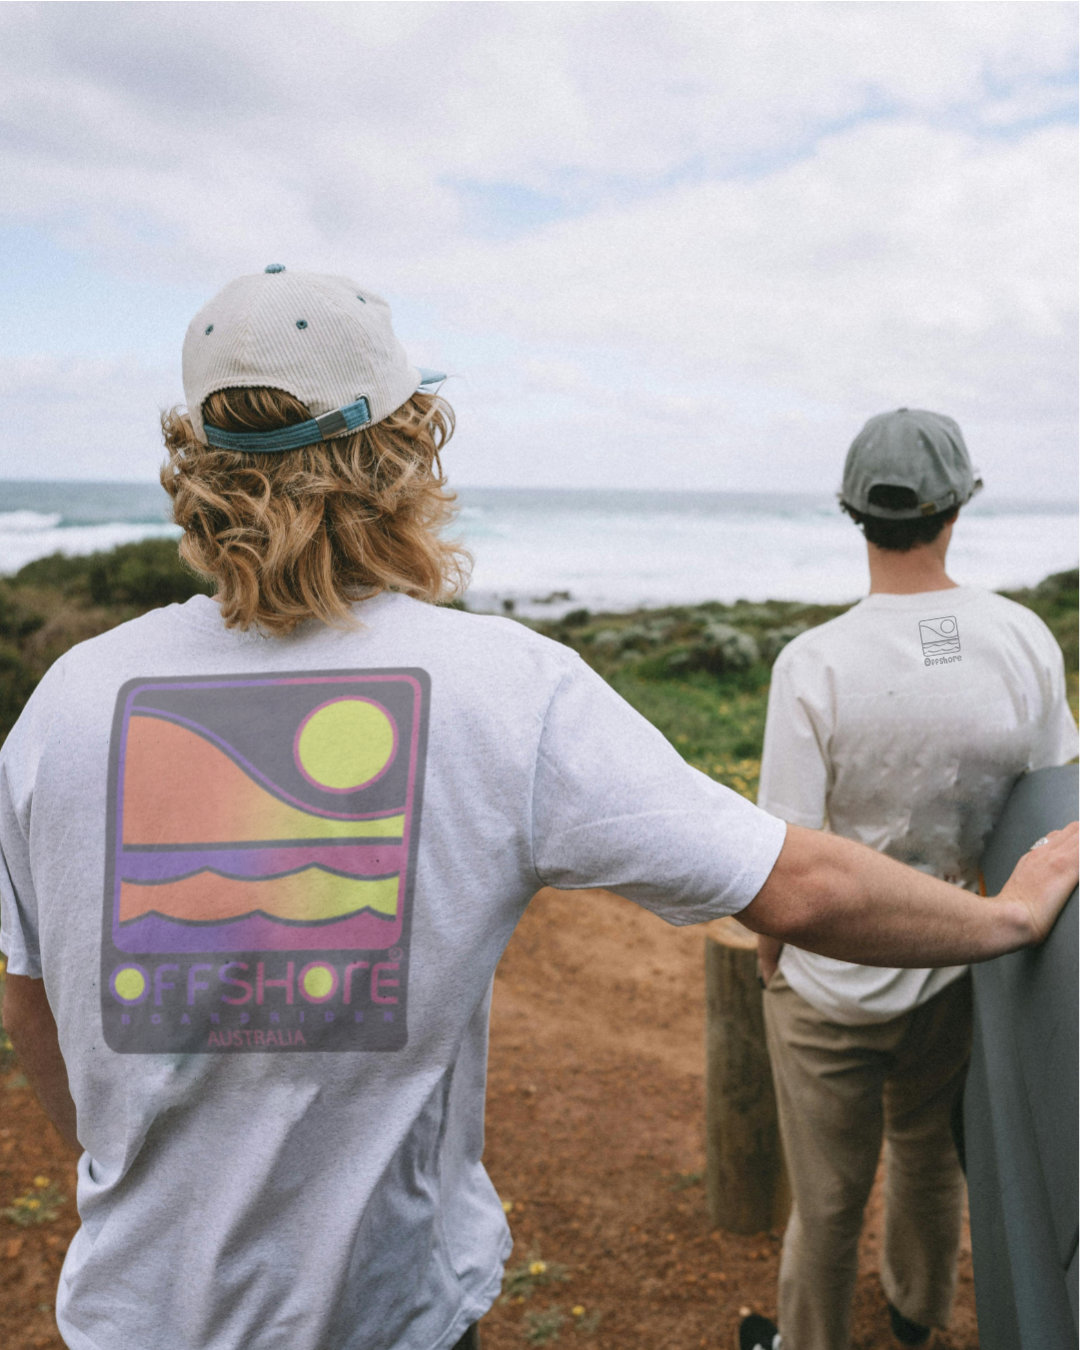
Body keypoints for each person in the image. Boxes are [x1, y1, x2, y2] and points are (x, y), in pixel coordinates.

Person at [0, 274, 1074, 1350]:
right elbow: (799, 884)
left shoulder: (67, 703)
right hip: (386, 1320)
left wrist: (152, 1166)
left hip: (126, 1316)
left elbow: (34, 1005)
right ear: (406, 448)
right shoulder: (502, 690)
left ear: (195, 458)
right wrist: (1008, 920)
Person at [739, 409, 1078, 1350]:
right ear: (956, 507)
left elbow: (787, 848)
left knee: (827, 1200)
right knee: (931, 1160)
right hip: (955, 957)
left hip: (830, 980)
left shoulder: (812, 665)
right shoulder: (1022, 638)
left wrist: (770, 965)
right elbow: (1051, 808)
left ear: (855, 513)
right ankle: (914, 1319)